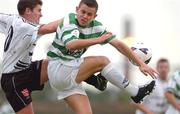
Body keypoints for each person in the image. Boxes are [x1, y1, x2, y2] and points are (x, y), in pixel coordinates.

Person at [47, 0, 158, 114]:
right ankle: (135, 92)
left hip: (68, 79)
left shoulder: (97, 27)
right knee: (103, 61)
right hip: (58, 69)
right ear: (76, 10)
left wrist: (141, 64)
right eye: (83, 12)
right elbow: (71, 45)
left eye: (89, 14)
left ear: (95, 16)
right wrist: (98, 40)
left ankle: (98, 81)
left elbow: (119, 44)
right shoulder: (69, 20)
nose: (85, 16)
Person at [0, 0, 107, 114]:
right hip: (14, 80)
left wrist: (81, 15)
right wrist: (75, 17)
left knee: (54, 63)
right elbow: (50, 28)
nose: (41, 14)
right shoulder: (26, 27)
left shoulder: (11, 18)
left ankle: (94, 80)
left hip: (27, 70)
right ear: (27, 11)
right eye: (39, 10)